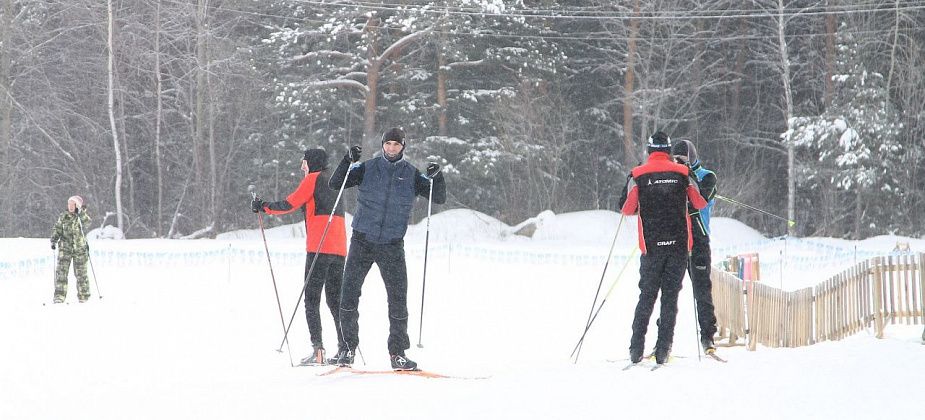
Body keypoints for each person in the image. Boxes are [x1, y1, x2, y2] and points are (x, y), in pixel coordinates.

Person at [327, 127, 446, 370]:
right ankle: (347, 348)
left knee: (398, 300)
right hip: (362, 241)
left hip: (392, 246)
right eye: (388, 144)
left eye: (396, 144)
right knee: (349, 294)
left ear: (403, 147)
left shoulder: (411, 174)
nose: (391, 148)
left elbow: (439, 197)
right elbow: (335, 183)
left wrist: (437, 177)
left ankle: (398, 353)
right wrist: (346, 160)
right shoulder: (367, 168)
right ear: (382, 145)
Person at [251, 148, 347, 365]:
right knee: (335, 300)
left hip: (318, 246)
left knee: (311, 298)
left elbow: (290, 204)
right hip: (339, 247)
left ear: (311, 162)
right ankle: (345, 347)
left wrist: (263, 207)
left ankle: (318, 350)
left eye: (303, 162)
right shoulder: (335, 182)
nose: (302, 167)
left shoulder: (313, 179)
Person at [618, 132, 707, 364]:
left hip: (651, 247)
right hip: (678, 247)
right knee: (670, 299)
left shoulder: (637, 174)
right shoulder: (683, 173)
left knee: (646, 297)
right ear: (668, 150)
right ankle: (663, 349)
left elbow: (626, 208)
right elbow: (700, 202)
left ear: (649, 150)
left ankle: (636, 348)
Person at [672, 139, 719, 354]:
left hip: (699, 238)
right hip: (678, 237)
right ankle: (664, 339)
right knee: (670, 289)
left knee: (701, 289)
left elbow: (702, 198)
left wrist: (687, 175)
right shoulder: (673, 174)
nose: (681, 161)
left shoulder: (706, 176)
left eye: (684, 158)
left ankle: (708, 336)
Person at [50, 195, 92, 303]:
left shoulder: (81, 217)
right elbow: (57, 228)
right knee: (61, 273)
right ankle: (59, 296)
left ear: (77, 205)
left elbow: (87, 223)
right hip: (65, 249)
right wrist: (54, 240)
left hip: (80, 249)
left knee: (81, 274)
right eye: (69, 204)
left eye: (73, 204)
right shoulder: (63, 216)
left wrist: (81, 212)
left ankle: (84, 296)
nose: (71, 206)